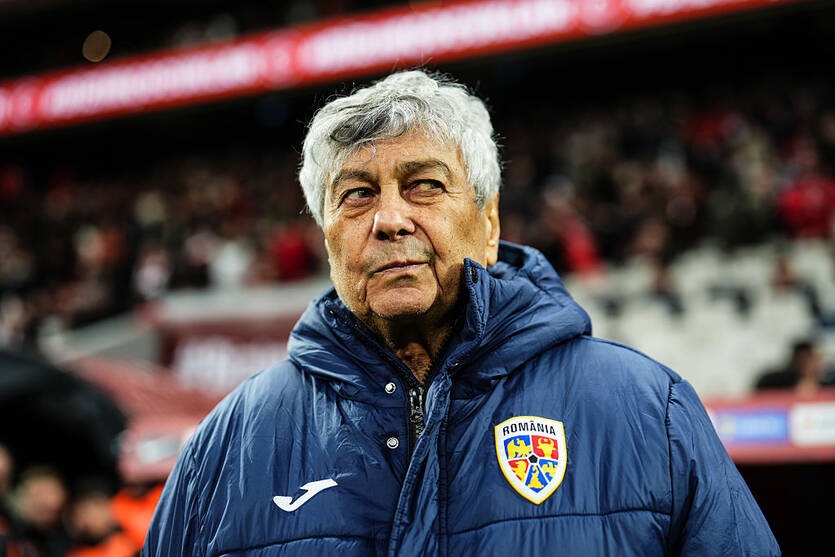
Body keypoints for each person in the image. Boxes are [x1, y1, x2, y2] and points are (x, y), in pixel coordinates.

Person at [142, 70, 779, 556]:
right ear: (324, 234)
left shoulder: (649, 411)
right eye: (357, 194)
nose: (390, 219)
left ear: (490, 221)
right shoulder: (223, 451)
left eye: (424, 185)